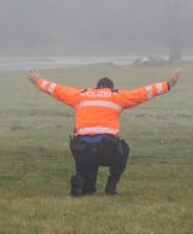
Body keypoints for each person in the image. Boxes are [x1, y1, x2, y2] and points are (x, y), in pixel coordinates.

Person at [24, 67, 182, 196]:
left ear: (96, 87)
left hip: (82, 149)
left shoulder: (80, 95)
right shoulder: (117, 96)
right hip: (106, 149)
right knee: (124, 149)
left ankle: (81, 183)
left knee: (89, 187)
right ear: (110, 88)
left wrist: (36, 80)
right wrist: (168, 84)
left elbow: (56, 90)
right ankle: (111, 188)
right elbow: (143, 93)